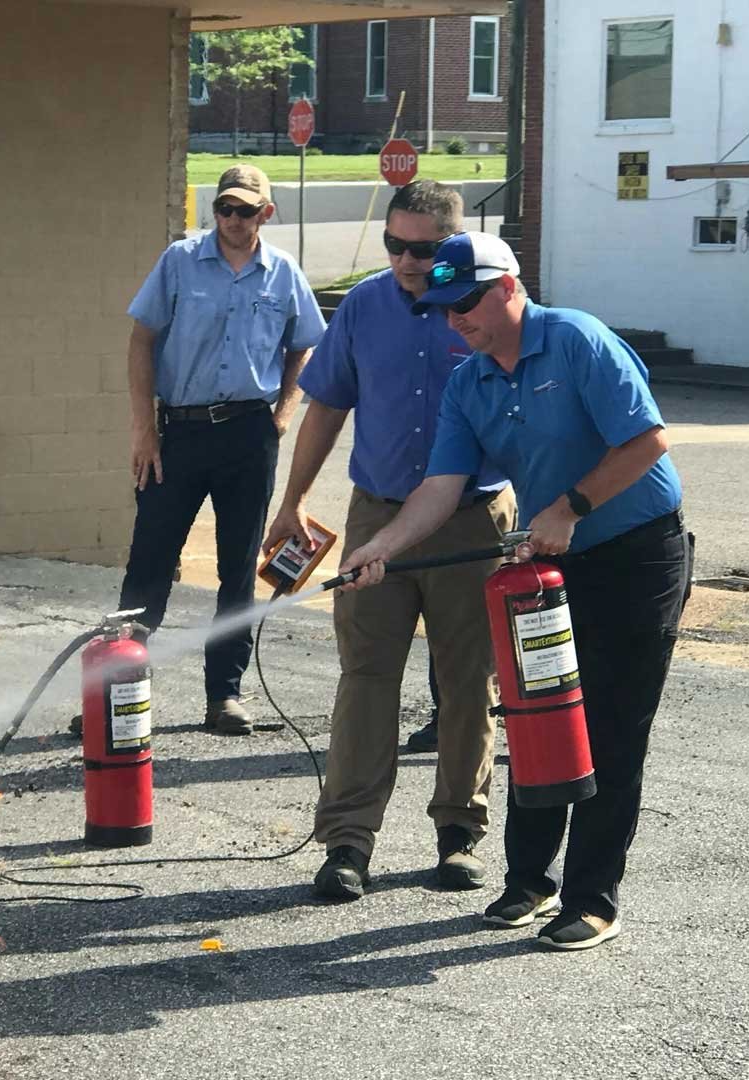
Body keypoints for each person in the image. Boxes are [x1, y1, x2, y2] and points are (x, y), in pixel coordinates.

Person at [339, 231, 691, 950]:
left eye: (464, 302)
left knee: (611, 727)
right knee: (536, 719)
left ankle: (593, 898)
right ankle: (529, 880)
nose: (452, 319)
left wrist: (567, 508)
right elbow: (440, 489)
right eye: (440, 308)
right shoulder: (469, 383)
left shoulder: (578, 341)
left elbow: (648, 440)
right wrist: (380, 546)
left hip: (636, 557)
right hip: (552, 567)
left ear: (507, 286)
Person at [262, 181, 516, 899]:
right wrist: (294, 500)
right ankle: (346, 842)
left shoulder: (483, 310)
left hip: (472, 518)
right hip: (379, 516)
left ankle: (458, 836)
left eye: (424, 250)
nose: (406, 261)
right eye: (395, 245)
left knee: (469, 681)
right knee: (367, 678)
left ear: (454, 245)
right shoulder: (366, 305)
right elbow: (327, 406)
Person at [118, 164, 325, 736]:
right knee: (149, 561)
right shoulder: (179, 261)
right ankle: (117, 692)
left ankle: (225, 696)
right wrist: (143, 429)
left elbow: (303, 347)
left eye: (246, 210)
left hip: (247, 434)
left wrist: (282, 416)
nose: (233, 220)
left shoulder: (283, 273)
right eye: (225, 209)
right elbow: (141, 340)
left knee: (238, 571)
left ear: (267, 213)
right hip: (177, 433)